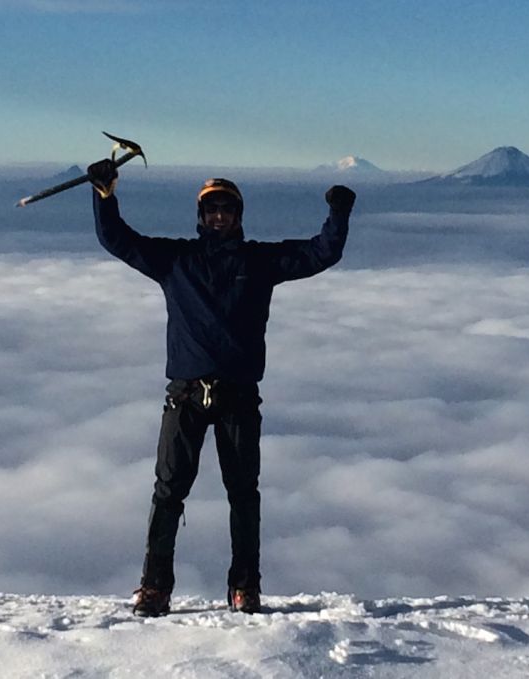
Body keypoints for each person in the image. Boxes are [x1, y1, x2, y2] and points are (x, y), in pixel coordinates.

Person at [87, 158, 355, 617]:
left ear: (238, 216)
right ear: (200, 216)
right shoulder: (176, 260)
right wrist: (104, 196)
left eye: (226, 210)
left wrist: (339, 214)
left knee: (242, 495)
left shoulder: (259, 261)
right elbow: (117, 240)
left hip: (237, 397)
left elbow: (320, 253)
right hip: (186, 395)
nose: (218, 217)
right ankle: (154, 588)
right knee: (168, 492)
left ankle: (244, 588)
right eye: (211, 210)